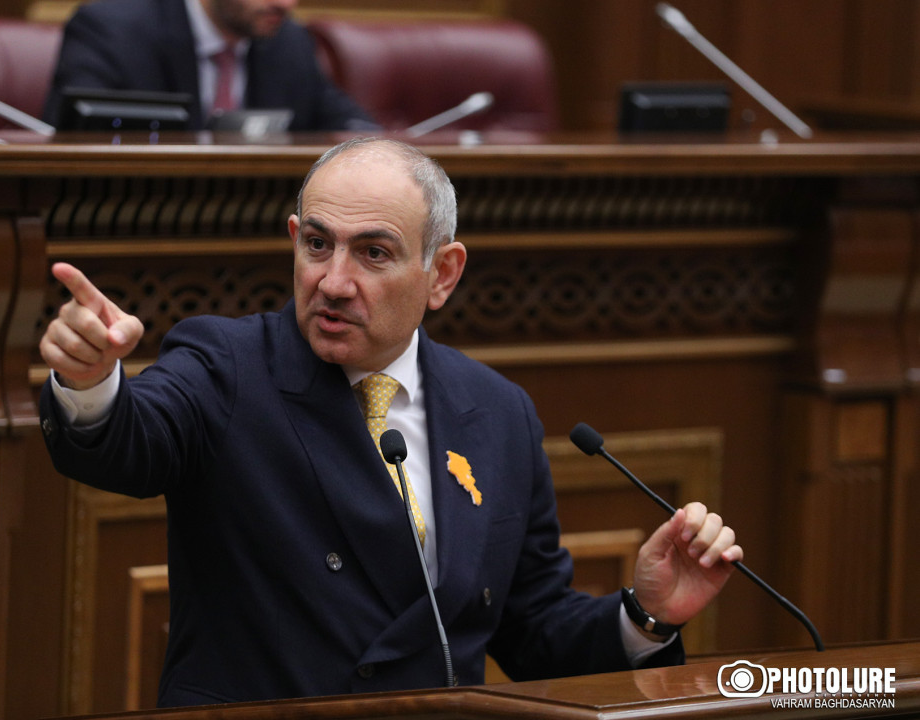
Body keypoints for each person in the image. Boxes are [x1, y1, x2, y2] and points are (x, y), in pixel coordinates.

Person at [38, 137, 743, 708]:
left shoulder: (496, 411)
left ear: (443, 274)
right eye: (318, 244)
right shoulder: (227, 365)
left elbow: (531, 632)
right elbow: (128, 443)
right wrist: (92, 382)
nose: (334, 281)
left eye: (373, 253)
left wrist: (645, 614)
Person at [41, 0, 378, 131]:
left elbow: (346, 122)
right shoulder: (111, 30)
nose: (286, 4)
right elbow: (70, 138)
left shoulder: (289, 41)